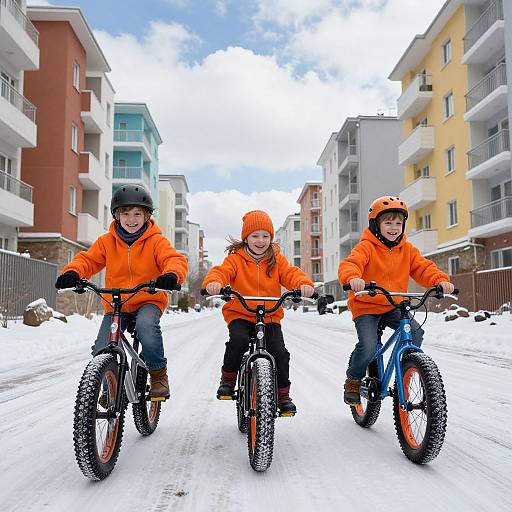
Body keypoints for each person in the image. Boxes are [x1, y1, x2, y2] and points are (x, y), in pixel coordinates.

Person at [55, 184, 188, 400]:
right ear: (117, 215)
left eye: (137, 214)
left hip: (148, 299)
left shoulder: (156, 241)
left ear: (147, 216)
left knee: (147, 327)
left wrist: (171, 275)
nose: (131, 219)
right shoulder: (107, 242)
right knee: (102, 346)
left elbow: (173, 259)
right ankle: (109, 388)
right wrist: (72, 271)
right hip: (118, 304)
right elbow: (87, 260)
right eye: (125, 214)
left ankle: (157, 374)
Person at [338, 196, 454, 405]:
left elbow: (423, 268)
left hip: (393, 306)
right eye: (388, 222)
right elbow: (351, 264)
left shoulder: (407, 250)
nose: (394, 227)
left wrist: (440, 281)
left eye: (398, 223)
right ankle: (353, 380)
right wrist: (353, 279)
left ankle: (407, 370)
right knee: (368, 346)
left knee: (416, 332)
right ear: (376, 224)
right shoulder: (366, 247)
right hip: (366, 306)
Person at [202, 210, 315, 414]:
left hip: (269, 315)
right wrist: (214, 282)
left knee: (279, 352)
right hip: (240, 313)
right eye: (255, 236)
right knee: (238, 341)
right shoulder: (236, 259)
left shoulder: (277, 260)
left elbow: (291, 274)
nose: (260, 240)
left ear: (271, 238)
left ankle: (282, 394)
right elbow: (221, 272)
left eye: (265, 236)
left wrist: (303, 284)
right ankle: (228, 378)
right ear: (246, 238)